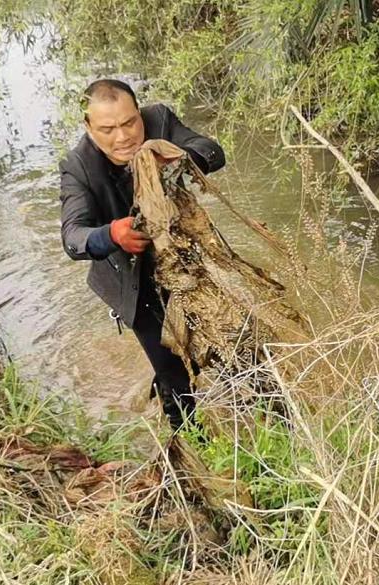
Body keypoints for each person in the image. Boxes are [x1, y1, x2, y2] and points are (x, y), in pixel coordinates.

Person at [58, 79, 225, 427]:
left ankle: (284, 430)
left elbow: (211, 150)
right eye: (108, 129)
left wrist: (180, 158)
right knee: (174, 378)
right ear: (89, 128)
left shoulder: (159, 120)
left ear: (139, 112)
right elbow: (73, 236)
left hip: (186, 263)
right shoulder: (78, 166)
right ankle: (189, 455)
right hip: (134, 285)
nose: (123, 137)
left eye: (129, 122)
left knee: (236, 347)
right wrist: (112, 235)